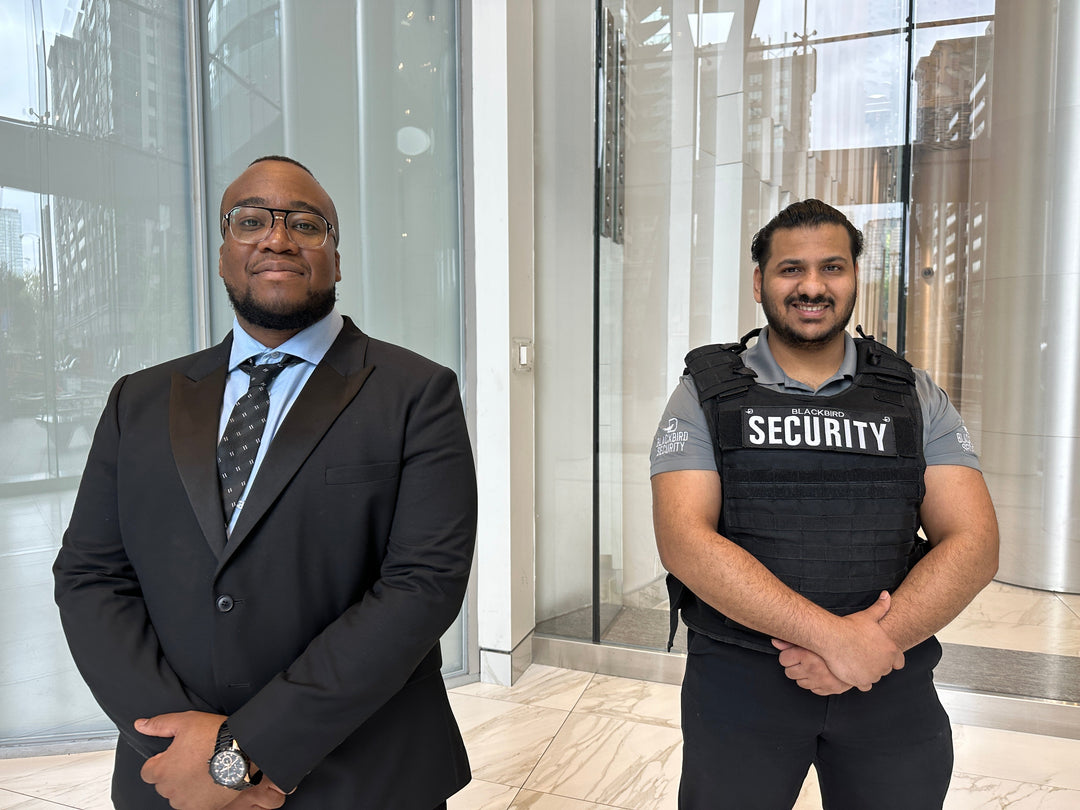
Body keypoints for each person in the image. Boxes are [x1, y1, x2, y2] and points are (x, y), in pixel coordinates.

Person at [53, 156, 477, 810]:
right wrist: (182, 749)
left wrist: (245, 753)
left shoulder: (418, 393)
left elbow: (422, 585)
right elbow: (90, 575)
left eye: (306, 224)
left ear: (338, 259)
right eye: (251, 221)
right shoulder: (137, 401)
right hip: (169, 776)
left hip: (362, 776)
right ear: (223, 255)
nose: (277, 238)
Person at [650, 199, 999, 810]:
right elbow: (685, 540)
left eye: (832, 267)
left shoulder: (913, 395)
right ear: (759, 281)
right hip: (742, 681)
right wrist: (835, 640)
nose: (812, 286)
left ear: (856, 277)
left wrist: (866, 647)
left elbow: (974, 543)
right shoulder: (703, 394)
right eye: (791, 270)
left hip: (889, 676)